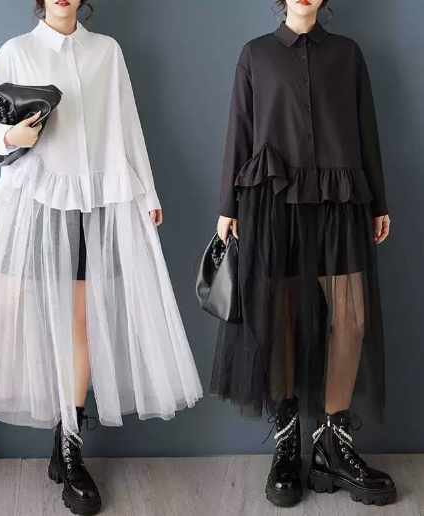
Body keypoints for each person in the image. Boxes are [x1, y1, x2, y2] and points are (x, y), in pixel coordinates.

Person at [0, 1, 202, 514]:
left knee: (81, 325)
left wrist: (148, 194)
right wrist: (10, 135)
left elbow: (127, 126)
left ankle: (68, 447)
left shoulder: (107, 51)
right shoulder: (17, 51)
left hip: (95, 204)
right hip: (34, 200)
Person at [212, 0, 396, 508]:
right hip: (274, 204)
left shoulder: (348, 54)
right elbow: (239, 130)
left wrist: (379, 201)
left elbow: (367, 131)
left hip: (341, 202)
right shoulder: (255, 55)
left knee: (350, 320)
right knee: (281, 323)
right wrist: (228, 206)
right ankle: (288, 441)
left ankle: (332, 444)